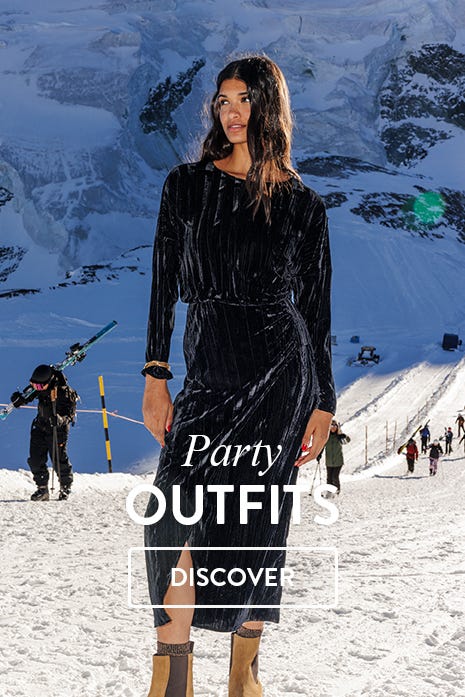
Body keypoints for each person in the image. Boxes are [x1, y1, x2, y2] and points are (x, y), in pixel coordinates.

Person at [141, 55, 336, 696]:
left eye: (244, 99)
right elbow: (163, 284)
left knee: (256, 525)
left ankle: (243, 680)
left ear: (269, 106)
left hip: (280, 379)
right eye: (223, 100)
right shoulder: (186, 185)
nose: (231, 112)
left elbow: (316, 312)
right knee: (171, 517)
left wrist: (323, 401)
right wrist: (156, 375)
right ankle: (172, 683)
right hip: (207, 375)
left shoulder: (303, 206)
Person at [10, 364, 77, 500]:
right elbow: (29, 395)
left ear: (49, 381)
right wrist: (19, 399)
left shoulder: (65, 392)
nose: (37, 388)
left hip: (58, 429)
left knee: (58, 459)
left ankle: (65, 487)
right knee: (35, 459)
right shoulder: (39, 387)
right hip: (40, 426)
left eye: (40, 386)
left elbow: (70, 416)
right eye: (34, 385)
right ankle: (42, 488)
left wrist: (60, 419)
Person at [322, 419, 350, 493]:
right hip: (329, 461)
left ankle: (336, 491)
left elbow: (346, 441)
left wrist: (342, 435)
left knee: (335, 477)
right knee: (329, 478)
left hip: (338, 461)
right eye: (332, 425)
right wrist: (318, 454)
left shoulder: (339, 436)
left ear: (337, 427)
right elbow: (322, 446)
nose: (333, 427)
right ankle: (329, 492)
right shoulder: (327, 437)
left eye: (335, 425)